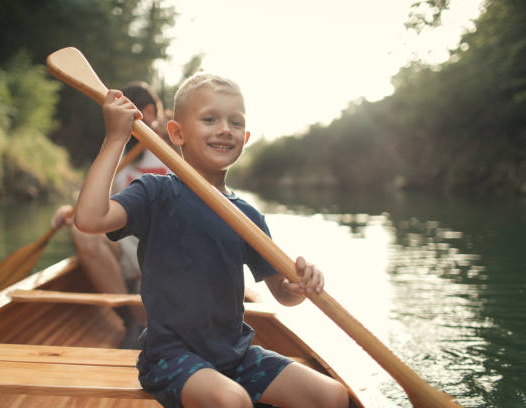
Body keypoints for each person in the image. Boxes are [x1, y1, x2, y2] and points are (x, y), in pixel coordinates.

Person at [74, 74, 349, 408]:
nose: (224, 129)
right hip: (169, 356)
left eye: (235, 122)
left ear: (245, 138)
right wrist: (116, 138)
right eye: (209, 119)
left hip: (236, 355)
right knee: (231, 400)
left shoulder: (248, 216)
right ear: (176, 133)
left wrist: (300, 285)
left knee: (331, 396)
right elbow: (89, 219)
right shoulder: (156, 193)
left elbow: (282, 293)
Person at [51, 82, 171, 344]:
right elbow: (98, 207)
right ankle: (129, 316)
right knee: (83, 231)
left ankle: (144, 310)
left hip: (168, 249)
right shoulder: (117, 151)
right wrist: (69, 212)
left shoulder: (175, 148)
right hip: (127, 243)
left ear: (148, 113)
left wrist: (174, 132)